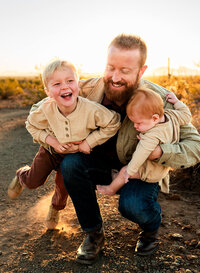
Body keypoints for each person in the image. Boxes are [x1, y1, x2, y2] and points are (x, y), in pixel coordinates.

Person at [59, 33, 200, 264]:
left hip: (141, 171)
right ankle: (94, 234)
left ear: (141, 71)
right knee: (72, 165)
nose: (115, 77)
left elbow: (195, 147)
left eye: (125, 71)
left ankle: (151, 229)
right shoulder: (89, 89)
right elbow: (49, 106)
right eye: (110, 67)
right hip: (100, 163)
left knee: (132, 206)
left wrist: (160, 153)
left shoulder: (159, 99)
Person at [8, 59, 121, 229]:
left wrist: (89, 142)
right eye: (57, 83)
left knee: (63, 187)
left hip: (74, 156)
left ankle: (55, 209)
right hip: (49, 152)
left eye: (70, 81)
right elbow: (31, 125)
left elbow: (114, 122)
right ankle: (21, 175)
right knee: (33, 181)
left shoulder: (90, 109)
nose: (65, 87)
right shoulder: (45, 109)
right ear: (48, 91)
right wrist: (51, 141)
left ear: (78, 84)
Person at [97, 88, 191, 196]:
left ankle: (111, 189)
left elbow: (140, 155)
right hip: (162, 168)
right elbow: (186, 116)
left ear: (155, 118)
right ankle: (119, 179)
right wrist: (177, 102)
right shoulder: (171, 115)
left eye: (139, 123)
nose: (135, 126)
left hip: (151, 170)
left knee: (124, 171)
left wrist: (129, 171)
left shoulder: (152, 136)